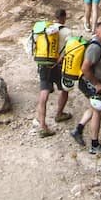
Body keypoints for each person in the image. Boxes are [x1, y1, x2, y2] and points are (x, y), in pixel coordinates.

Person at [70, 20, 101, 154]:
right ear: (97, 32)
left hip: (94, 81)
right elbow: (85, 68)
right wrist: (97, 84)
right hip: (90, 82)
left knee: (94, 107)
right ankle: (94, 145)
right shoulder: (95, 48)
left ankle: (78, 130)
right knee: (98, 111)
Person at [35, 8, 72, 136]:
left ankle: (43, 126)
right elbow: (69, 50)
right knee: (64, 89)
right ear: (64, 18)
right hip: (59, 65)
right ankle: (59, 114)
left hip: (44, 63)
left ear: (54, 17)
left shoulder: (45, 29)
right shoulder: (67, 31)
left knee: (43, 94)